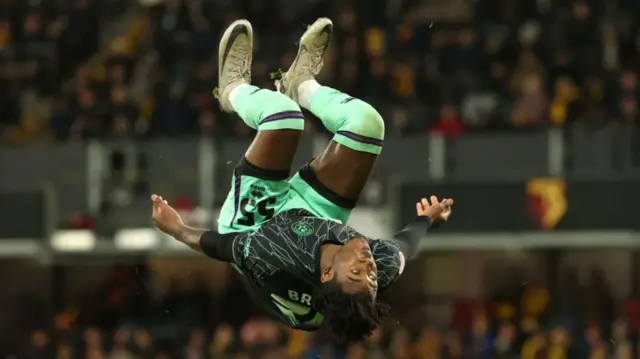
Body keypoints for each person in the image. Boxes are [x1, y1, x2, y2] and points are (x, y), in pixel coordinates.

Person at [151, 18, 455, 343]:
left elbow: (223, 247)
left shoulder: (273, 253)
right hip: (316, 219)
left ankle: (231, 90)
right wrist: (427, 220)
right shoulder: (376, 269)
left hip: (254, 224)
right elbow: (404, 245)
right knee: (368, 125)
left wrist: (178, 230)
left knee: (284, 118)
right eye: (371, 275)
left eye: (356, 271)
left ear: (327, 274)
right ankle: (301, 85)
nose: (367, 265)